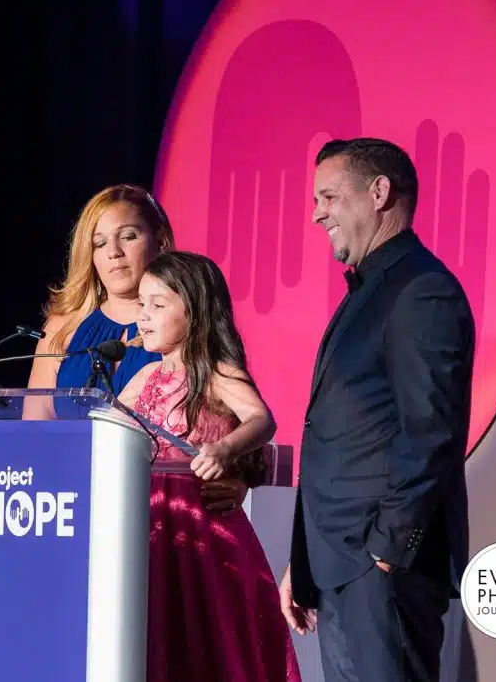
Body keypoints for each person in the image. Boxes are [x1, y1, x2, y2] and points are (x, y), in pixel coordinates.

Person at [280, 138, 475, 682]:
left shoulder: (421, 291)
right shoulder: (370, 291)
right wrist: (303, 558)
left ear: (379, 192)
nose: (317, 213)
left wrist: (386, 552)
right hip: (340, 564)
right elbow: (334, 436)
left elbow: (431, 432)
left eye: (329, 196)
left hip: (381, 569)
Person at [116, 251, 301, 682]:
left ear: (196, 313)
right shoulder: (142, 378)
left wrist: (223, 450)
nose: (144, 316)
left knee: (206, 647)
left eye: (157, 305)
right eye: (141, 304)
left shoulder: (215, 372)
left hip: (202, 537)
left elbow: (262, 419)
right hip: (151, 534)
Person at [26, 183, 253, 511]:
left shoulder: (186, 323)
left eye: (128, 236)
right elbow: (36, 425)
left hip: (165, 508)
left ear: (160, 241)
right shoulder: (63, 328)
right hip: (68, 499)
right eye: (99, 243)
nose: (113, 252)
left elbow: (235, 415)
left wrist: (240, 480)